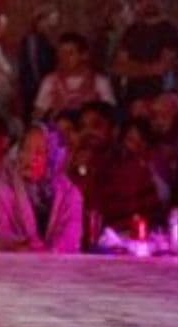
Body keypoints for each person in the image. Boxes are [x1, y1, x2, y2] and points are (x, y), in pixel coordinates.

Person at [0, 122, 82, 253]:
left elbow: (70, 237)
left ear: (53, 158)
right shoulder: (1, 187)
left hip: (57, 268)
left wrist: (49, 255)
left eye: (39, 152)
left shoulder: (69, 193)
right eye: (25, 149)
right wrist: (21, 246)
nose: (29, 157)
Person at [67, 100, 161, 235]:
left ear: (114, 131)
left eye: (96, 125)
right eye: (83, 127)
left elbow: (150, 220)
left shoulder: (133, 168)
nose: (88, 132)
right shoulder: (73, 167)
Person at [113, 0, 178, 105]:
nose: (149, 2)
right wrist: (149, 68)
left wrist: (133, 68)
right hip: (132, 96)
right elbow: (119, 67)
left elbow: (163, 67)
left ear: (164, 1)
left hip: (161, 97)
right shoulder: (131, 31)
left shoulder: (170, 30)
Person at [34, 33, 113, 120]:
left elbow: (110, 115)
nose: (64, 57)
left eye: (70, 53)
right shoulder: (50, 81)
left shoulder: (100, 81)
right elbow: (38, 115)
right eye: (61, 52)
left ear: (84, 55)